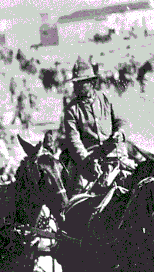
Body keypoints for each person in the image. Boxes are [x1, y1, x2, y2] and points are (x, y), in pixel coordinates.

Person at [60, 57, 127, 196]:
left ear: (91, 83)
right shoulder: (71, 110)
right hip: (88, 162)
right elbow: (74, 140)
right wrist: (87, 160)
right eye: (75, 83)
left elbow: (120, 121)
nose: (76, 87)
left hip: (115, 156)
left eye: (81, 83)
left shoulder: (107, 99)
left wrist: (119, 133)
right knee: (77, 195)